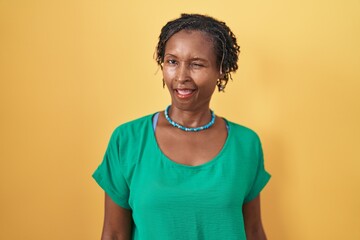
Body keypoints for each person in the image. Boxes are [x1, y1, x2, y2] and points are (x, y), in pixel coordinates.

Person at [93, 13, 271, 240]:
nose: (181, 76)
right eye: (172, 62)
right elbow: (115, 234)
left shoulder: (246, 143)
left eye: (196, 64)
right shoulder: (127, 140)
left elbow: (254, 231)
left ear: (221, 70)